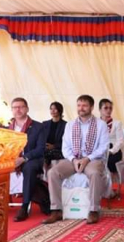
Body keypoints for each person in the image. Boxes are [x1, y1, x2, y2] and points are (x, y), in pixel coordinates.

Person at [44, 95, 109, 225]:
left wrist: (87, 159)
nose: (81, 108)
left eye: (84, 105)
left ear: (91, 107)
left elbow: (103, 147)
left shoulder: (101, 125)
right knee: (52, 173)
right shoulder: (70, 124)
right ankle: (56, 210)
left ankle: (94, 210)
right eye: (79, 105)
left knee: (94, 173)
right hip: (73, 159)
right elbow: (65, 147)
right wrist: (73, 160)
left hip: (93, 159)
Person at [9, 98, 48, 221]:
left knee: (29, 168)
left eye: (21, 107)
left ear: (27, 109)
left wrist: (24, 158)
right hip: (11, 159)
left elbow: (40, 149)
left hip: (32, 159)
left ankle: (24, 207)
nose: (18, 110)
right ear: (11, 110)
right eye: (15, 107)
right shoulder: (7, 127)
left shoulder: (38, 127)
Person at [99, 98, 124, 177]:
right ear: (100, 109)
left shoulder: (117, 123)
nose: (109, 110)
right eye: (106, 108)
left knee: (111, 161)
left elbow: (120, 140)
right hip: (100, 150)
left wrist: (111, 151)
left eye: (110, 108)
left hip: (113, 150)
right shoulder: (96, 123)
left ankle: (112, 180)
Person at [43, 102, 67, 166]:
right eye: (51, 109)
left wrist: (54, 146)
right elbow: (40, 138)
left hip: (58, 150)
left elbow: (67, 142)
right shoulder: (44, 124)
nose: (52, 111)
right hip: (45, 148)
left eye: (55, 109)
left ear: (60, 110)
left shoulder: (65, 125)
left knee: (47, 154)